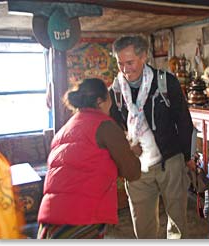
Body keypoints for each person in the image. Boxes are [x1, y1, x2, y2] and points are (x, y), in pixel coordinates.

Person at [109, 35, 194, 239]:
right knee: (143, 224)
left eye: (130, 63)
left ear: (144, 57)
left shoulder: (165, 82)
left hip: (170, 161)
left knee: (177, 222)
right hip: (137, 167)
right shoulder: (116, 89)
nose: (125, 69)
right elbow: (114, 127)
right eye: (120, 63)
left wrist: (189, 158)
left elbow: (183, 121)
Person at [37, 78, 141, 239]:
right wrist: (132, 152)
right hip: (81, 218)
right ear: (100, 101)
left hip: (51, 217)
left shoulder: (66, 128)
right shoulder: (105, 125)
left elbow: (91, 165)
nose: (111, 103)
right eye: (109, 97)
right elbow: (132, 172)